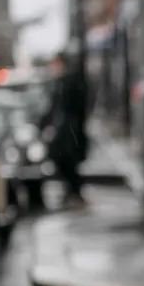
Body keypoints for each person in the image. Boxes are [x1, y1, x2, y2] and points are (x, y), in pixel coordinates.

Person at [47, 52, 88, 207]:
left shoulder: (69, 82)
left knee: (68, 162)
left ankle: (75, 193)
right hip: (65, 132)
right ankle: (72, 192)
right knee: (62, 162)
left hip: (69, 133)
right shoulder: (60, 83)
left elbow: (72, 108)